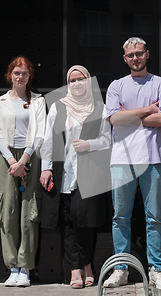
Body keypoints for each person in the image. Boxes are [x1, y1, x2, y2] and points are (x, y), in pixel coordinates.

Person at [103, 37, 161, 291]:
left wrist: (129, 116)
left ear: (147, 54)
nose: (135, 58)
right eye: (130, 55)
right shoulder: (116, 86)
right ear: (125, 58)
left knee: (154, 218)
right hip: (122, 160)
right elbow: (114, 119)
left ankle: (157, 270)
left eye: (139, 54)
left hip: (154, 158)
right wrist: (147, 110)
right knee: (120, 217)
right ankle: (121, 269)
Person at [40, 65, 111, 289]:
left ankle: (88, 264)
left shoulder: (100, 108)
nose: (77, 83)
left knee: (87, 222)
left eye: (81, 79)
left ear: (88, 82)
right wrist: (46, 168)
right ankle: (74, 269)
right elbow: (48, 140)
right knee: (67, 222)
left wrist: (90, 144)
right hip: (64, 173)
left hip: (90, 174)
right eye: (72, 80)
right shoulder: (58, 107)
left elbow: (108, 140)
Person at [0, 56, 46, 287]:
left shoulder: (38, 101)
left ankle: (25, 267)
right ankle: (12, 266)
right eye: (17, 73)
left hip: (30, 157)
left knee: (29, 212)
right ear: (10, 75)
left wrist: (23, 160)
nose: (20, 77)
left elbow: (40, 133)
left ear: (29, 76)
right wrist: (11, 160)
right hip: (7, 158)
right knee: (8, 210)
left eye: (25, 73)